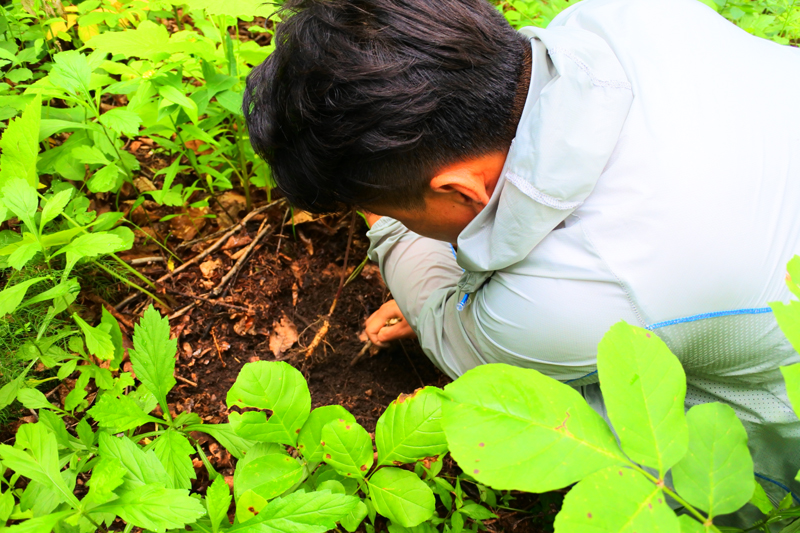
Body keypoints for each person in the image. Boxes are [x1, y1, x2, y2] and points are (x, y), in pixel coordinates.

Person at [243, 0, 800, 512]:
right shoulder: (624, 16)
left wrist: (396, 242)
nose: (388, 220)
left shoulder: (572, 295)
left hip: (775, 442)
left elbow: (450, 330)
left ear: (460, 189)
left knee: (581, 418)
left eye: (389, 210)